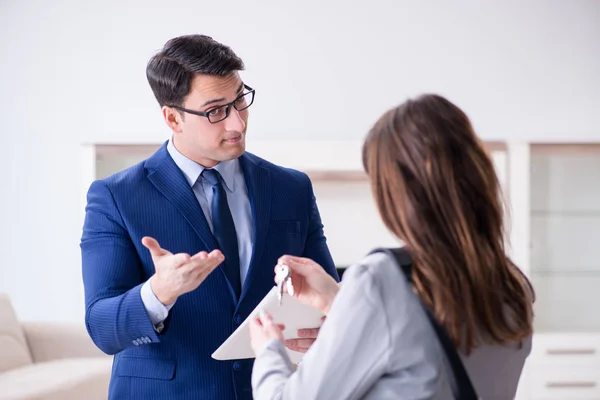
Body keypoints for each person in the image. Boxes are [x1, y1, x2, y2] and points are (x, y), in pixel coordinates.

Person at [80, 34, 339, 400]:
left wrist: (327, 327)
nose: (237, 123)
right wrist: (158, 293)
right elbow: (102, 327)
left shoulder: (291, 187)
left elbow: (328, 295)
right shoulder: (116, 196)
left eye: (239, 101)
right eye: (216, 110)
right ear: (172, 118)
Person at [249, 94, 535, 399]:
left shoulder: (380, 281)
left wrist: (269, 350)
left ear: (396, 193)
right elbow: (419, 346)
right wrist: (340, 302)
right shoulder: (514, 286)